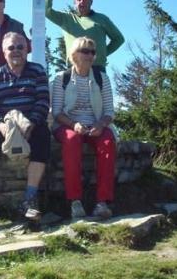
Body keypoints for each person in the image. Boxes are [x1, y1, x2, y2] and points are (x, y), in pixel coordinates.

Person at [0, 32, 51, 225]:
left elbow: (42, 100)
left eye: (20, 47)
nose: (16, 51)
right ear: (4, 52)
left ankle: (30, 199)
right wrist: (0, 126)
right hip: (4, 125)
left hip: (31, 123)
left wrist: (31, 123)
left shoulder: (37, 71)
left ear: (27, 49)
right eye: (11, 48)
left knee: (42, 137)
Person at [51, 36, 116, 219]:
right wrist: (74, 125)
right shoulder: (61, 78)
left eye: (92, 52)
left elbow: (110, 111)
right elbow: (56, 112)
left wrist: (100, 124)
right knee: (72, 140)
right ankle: (75, 201)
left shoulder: (102, 78)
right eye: (85, 51)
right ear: (74, 54)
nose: (89, 55)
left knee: (108, 142)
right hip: (67, 124)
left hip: (95, 124)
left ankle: (102, 202)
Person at [45, 0, 124, 71]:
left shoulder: (102, 19)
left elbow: (118, 39)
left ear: (91, 2)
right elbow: (46, 11)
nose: (82, 1)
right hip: (74, 69)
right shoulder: (66, 19)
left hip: (97, 68)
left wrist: (103, 54)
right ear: (75, 3)